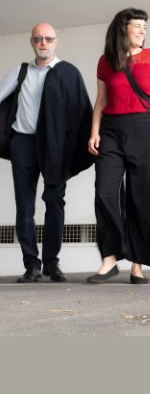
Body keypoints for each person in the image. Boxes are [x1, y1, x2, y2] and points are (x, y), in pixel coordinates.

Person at [87, 8, 150, 284]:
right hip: (111, 131)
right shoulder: (106, 61)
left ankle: (138, 263)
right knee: (104, 192)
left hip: (144, 129)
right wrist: (94, 132)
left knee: (143, 197)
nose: (142, 31)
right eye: (137, 26)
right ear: (122, 28)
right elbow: (101, 100)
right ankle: (110, 258)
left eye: (144, 27)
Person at [0, 23, 93, 283]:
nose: (43, 43)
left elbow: (82, 112)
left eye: (48, 39)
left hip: (55, 147)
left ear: (55, 42)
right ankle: (32, 265)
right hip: (23, 143)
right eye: (38, 39)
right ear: (32, 42)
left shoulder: (68, 73)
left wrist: (84, 143)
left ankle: (52, 263)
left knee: (54, 201)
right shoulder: (20, 72)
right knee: (24, 206)